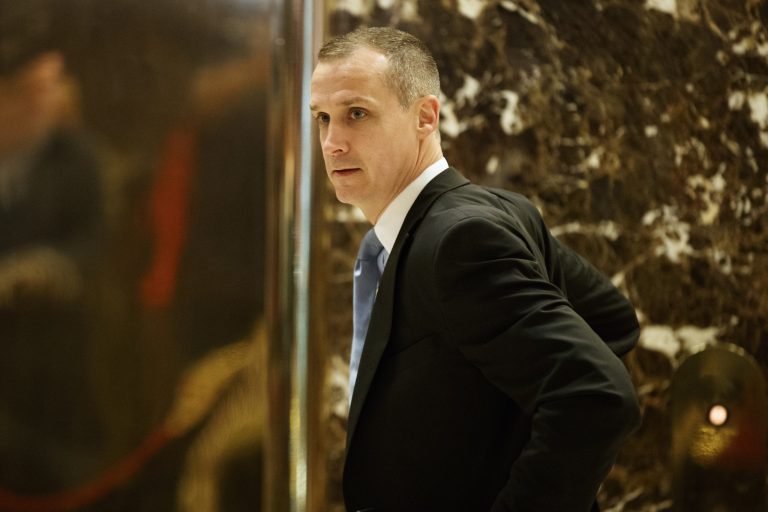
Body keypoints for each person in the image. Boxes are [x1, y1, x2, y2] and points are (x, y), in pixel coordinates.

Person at [310, 26, 642, 512]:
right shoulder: (492, 212)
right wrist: (504, 426)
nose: (332, 142)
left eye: (356, 113)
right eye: (322, 118)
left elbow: (596, 391)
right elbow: (611, 321)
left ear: (425, 117)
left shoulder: (461, 241)